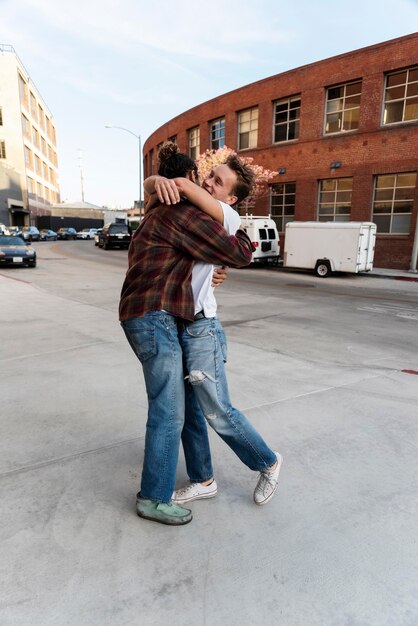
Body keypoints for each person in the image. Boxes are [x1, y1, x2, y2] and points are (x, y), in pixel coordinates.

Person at [119, 147, 255, 526]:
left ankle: (202, 478)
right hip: (156, 319)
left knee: (183, 406)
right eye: (205, 178)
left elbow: (202, 263)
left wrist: (216, 269)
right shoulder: (182, 213)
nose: (207, 186)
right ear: (190, 180)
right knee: (168, 411)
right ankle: (154, 498)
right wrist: (237, 242)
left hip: (151, 318)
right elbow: (238, 251)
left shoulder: (155, 210)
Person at [144, 143, 283, 512]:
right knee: (189, 410)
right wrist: (154, 181)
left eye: (218, 182)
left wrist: (164, 179)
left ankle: (267, 461)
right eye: (209, 175)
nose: (208, 182)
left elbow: (237, 249)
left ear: (232, 200)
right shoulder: (192, 214)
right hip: (178, 322)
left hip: (202, 326)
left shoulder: (227, 218)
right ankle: (203, 480)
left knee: (216, 409)